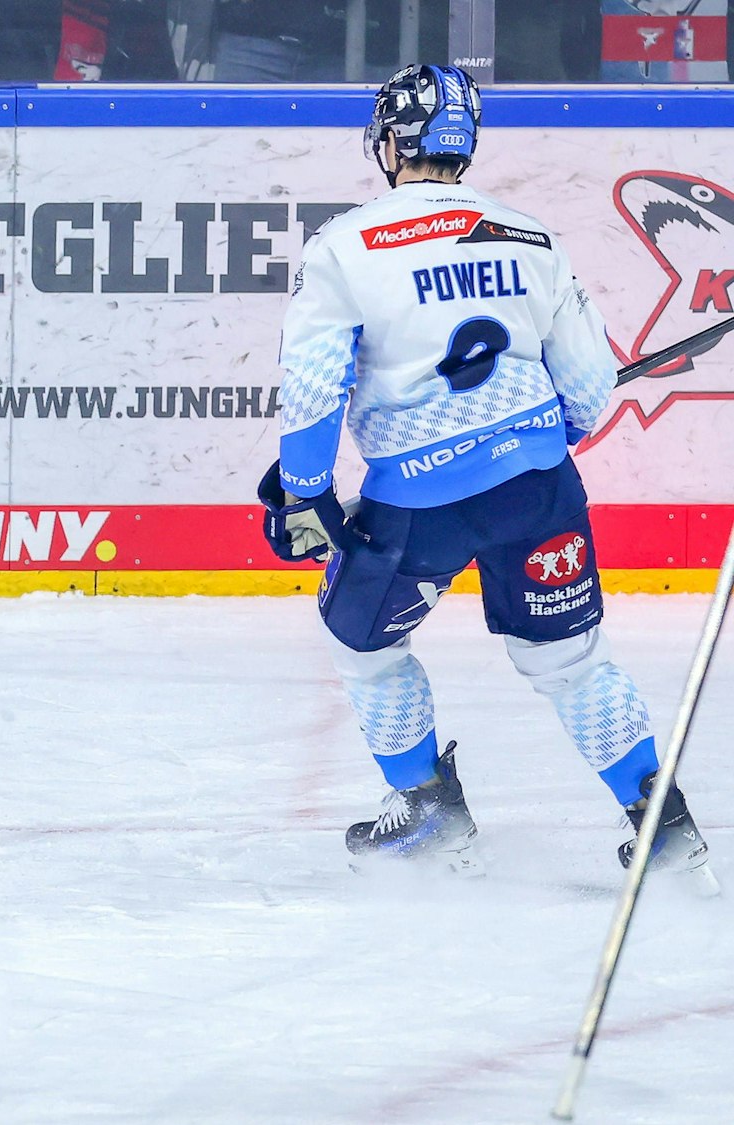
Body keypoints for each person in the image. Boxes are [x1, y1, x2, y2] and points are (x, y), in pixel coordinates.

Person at [257, 64, 714, 886]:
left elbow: (315, 384)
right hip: (538, 491)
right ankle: (666, 828)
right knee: (571, 662)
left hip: (418, 509)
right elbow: (587, 391)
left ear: (392, 140)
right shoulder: (530, 236)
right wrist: (539, 433)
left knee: (363, 646)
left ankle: (429, 811)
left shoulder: (343, 246)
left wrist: (306, 489)